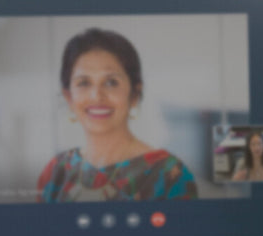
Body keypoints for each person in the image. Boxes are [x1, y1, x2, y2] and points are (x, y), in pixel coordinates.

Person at [37, 28, 198, 201]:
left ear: (134, 94)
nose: (97, 96)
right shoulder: (56, 172)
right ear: (69, 97)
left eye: (111, 82)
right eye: (84, 83)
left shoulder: (170, 175)